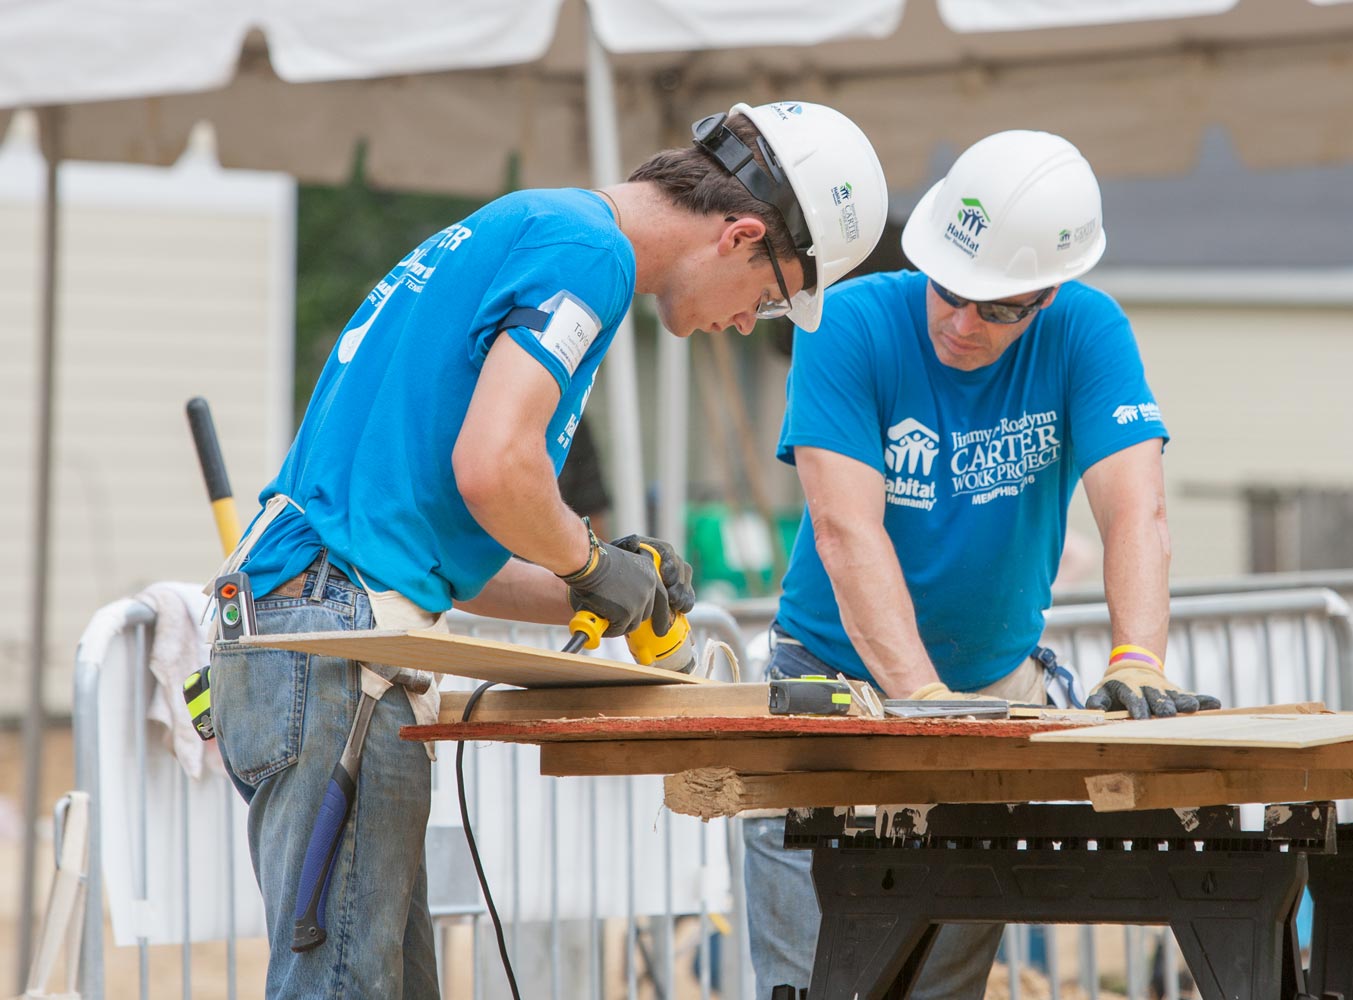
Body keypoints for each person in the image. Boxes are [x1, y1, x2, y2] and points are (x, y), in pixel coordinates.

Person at [208, 100, 887, 999]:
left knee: (375, 982)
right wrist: (589, 558)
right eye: (766, 299)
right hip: (334, 649)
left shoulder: (537, 229)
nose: (744, 320)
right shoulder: (588, 252)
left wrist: (604, 592)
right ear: (741, 236)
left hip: (319, 627)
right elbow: (497, 467)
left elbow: (459, 545)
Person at [744, 130, 1220, 998]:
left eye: (1001, 307)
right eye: (953, 292)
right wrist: (921, 701)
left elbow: (1135, 510)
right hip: (835, 691)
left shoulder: (1085, 329)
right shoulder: (847, 323)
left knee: (940, 988)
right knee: (813, 985)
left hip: (991, 696)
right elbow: (848, 532)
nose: (963, 324)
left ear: (1050, 292)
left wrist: (1138, 659)